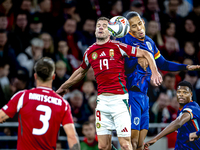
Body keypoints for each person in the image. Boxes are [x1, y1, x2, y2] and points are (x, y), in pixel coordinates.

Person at [56, 17, 162, 150]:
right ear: (95, 31)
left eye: (104, 26)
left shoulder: (118, 46)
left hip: (120, 101)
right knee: (103, 146)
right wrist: (63, 87)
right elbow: (80, 72)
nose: (100, 27)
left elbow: (146, 53)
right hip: (102, 102)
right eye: (98, 25)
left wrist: (155, 71)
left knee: (125, 144)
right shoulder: (90, 51)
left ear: (111, 31)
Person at [115, 11, 200, 150]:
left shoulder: (149, 42)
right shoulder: (124, 40)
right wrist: (137, 59)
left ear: (143, 21)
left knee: (140, 145)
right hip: (131, 94)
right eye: (133, 26)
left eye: (140, 23)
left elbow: (163, 64)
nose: (139, 28)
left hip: (144, 96)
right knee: (133, 141)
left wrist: (186, 67)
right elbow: (122, 66)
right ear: (128, 28)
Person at [0, 57, 80, 150]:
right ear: (53, 76)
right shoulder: (62, 103)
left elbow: (1, 116)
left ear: (35, 76)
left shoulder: (23, 96)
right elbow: (72, 136)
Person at [144, 81, 200, 150]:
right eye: (179, 92)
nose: (181, 94)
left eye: (185, 92)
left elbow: (178, 122)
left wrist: (155, 139)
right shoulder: (181, 111)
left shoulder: (193, 107)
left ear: (191, 94)